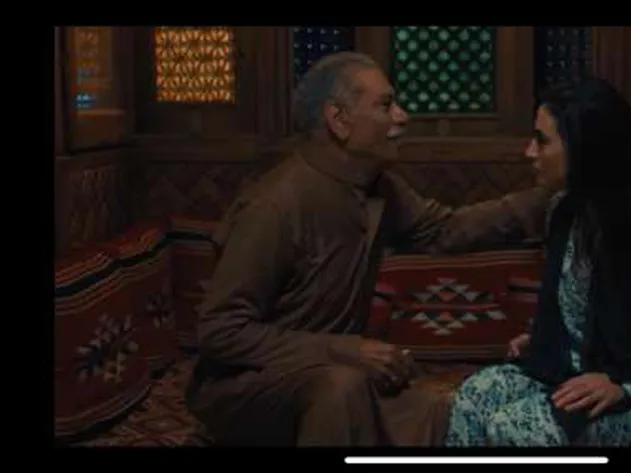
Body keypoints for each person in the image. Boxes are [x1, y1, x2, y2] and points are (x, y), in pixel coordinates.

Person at [183, 52, 558, 446]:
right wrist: (343, 350)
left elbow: (446, 230)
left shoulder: (377, 185)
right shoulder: (274, 206)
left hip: (335, 374)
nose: (402, 117)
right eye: (385, 105)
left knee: (438, 412)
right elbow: (221, 331)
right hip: (245, 388)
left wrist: (549, 196)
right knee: (340, 388)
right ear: (338, 120)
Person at [443, 78, 631, 447]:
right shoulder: (565, 212)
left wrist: (625, 385)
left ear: (584, 148)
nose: (528, 151)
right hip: (574, 371)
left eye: (541, 140)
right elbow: (582, 309)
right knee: (473, 398)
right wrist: (547, 338)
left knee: (514, 427)